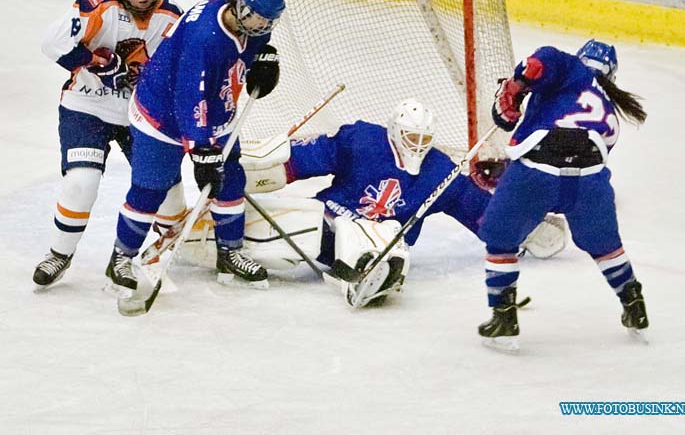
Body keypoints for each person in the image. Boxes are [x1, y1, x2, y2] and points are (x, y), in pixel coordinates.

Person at [228, 98, 566, 307]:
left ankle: (374, 274)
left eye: (425, 139)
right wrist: (248, 173)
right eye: (411, 137)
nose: (418, 145)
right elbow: (301, 161)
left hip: (382, 240)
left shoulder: (440, 171)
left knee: (386, 239)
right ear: (393, 131)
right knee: (298, 219)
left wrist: (524, 227)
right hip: (329, 221)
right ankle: (222, 240)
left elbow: (480, 213)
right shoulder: (360, 139)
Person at [107, 0, 284, 295]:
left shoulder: (244, 20)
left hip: (214, 109)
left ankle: (229, 252)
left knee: (230, 179)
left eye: (267, 20)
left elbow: (254, 45)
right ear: (242, 7)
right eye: (258, 18)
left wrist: (265, 57)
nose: (263, 26)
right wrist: (202, 152)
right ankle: (121, 257)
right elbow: (190, 98)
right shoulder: (204, 39)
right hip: (160, 115)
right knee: (150, 189)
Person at [477, 39, 649, 351]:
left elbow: (545, 60)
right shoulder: (610, 116)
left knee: (500, 238)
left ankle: (503, 317)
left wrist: (519, 84)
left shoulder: (573, 70)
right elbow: (572, 152)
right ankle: (633, 302)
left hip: (536, 169)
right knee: (606, 246)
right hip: (589, 180)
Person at [34, 0, 186, 287]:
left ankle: (181, 241)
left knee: (169, 187)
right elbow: (52, 43)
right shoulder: (97, 4)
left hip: (141, 115)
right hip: (87, 106)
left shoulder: (172, 17)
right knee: (81, 182)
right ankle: (59, 253)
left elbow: (180, 72)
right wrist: (94, 62)